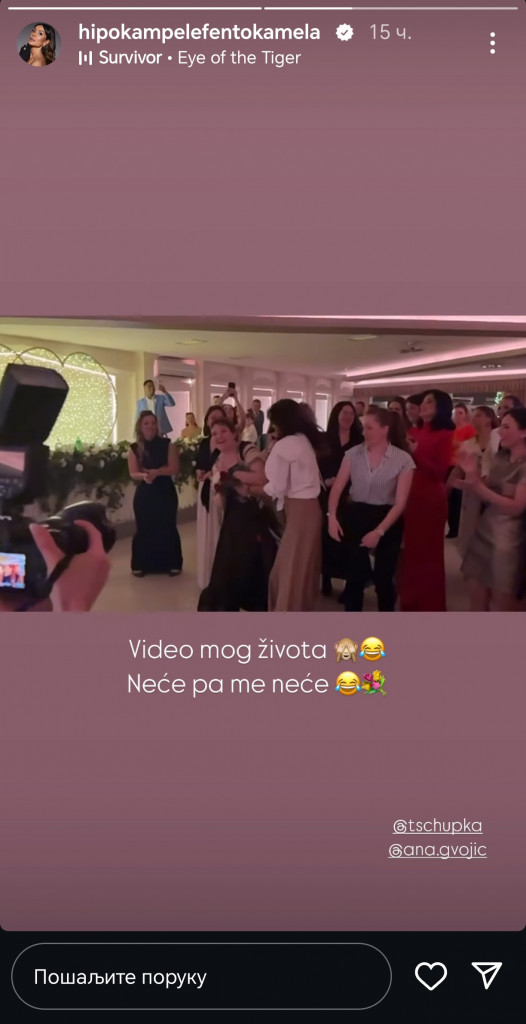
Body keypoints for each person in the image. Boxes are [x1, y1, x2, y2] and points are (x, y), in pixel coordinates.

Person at [328, 407, 415, 611]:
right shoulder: (353, 454)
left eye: (369, 428)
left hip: (387, 518)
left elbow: (400, 503)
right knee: (354, 577)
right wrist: (332, 516)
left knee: (383, 578)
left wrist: (379, 531)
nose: (364, 432)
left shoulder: (403, 459)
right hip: (357, 514)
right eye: (363, 427)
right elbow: (337, 488)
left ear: (385, 429)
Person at [198, 419, 277, 611]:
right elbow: (221, 501)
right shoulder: (217, 461)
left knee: (250, 565)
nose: (219, 436)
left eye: (223, 431)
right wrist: (219, 490)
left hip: (253, 517)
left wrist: (233, 477)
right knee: (227, 567)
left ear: (234, 433)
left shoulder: (247, 450)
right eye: (214, 433)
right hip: (232, 520)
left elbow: (263, 479)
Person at [460, 409, 526, 610]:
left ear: (523, 432)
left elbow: (516, 508)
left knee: (503, 606)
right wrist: (471, 476)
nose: (500, 432)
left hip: (508, 542)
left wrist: (479, 487)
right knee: (476, 599)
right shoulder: (501, 457)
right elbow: (487, 490)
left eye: (506, 427)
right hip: (484, 531)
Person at [262, 399, 323, 611]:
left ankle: (286, 610)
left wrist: (256, 489)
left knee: (290, 566)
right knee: (302, 565)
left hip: (299, 510)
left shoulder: (285, 445)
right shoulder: (303, 439)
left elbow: (277, 486)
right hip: (310, 509)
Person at [399, 390, 455, 611]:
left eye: (429, 402)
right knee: (411, 552)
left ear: (440, 407)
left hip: (431, 499)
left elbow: (439, 472)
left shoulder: (446, 435)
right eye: (423, 402)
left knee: (429, 555)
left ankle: (430, 605)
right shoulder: (414, 431)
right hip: (411, 495)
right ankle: (410, 601)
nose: (423, 405)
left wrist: (416, 452)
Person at [128, 412, 183, 577]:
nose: (150, 426)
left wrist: (157, 472)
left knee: (167, 525)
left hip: (165, 491)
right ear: (140, 426)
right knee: (145, 526)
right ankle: (142, 564)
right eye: (146, 423)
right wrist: (145, 476)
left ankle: (171, 564)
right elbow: (133, 472)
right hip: (146, 492)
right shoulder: (135, 448)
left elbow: (174, 468)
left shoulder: (167, 444)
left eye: (153, 423)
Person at [318, 401, 363, 596]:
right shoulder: (324, 439)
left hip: (350, 495)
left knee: (348, 538)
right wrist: (325, 480)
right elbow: (316, 465)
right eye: (344, 412)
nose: (347, 416)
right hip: (327, 492)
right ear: (336, 414)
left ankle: (347, 584)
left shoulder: (359, 440)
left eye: (351, 413)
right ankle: (326, 578)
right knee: (326, 537)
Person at [449, 406, 499, 557]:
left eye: (478, 415)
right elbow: (458, 469)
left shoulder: (498, 439)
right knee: (472, 528)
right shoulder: (469, 443)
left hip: (495, 490)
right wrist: (447, 487)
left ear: (488, 419)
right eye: (474, 415)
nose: (473, 418)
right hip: (473, 492)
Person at [195, 405, 227, 590]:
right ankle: (206, 576)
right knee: (206, 532)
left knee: (219, 530)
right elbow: (200, 465)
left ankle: (221, 578)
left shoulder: (228, 443)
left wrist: (211, 474)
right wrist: (200, 474)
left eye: (218, 417)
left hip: (221, 490)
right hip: (205, 490)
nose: (214, 420)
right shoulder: (204, 443)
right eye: (211, 417)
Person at [446, 403, 477, 538]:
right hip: (447, 465)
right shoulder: (450, 430)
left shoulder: (470, 430)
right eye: (455, 413)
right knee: (447, 498)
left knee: (456, 498)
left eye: (460, 413)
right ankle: (451, 526)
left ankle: (456, 528)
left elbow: (472, 447)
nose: (457, 416)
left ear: (466, 414)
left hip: (460, 467)